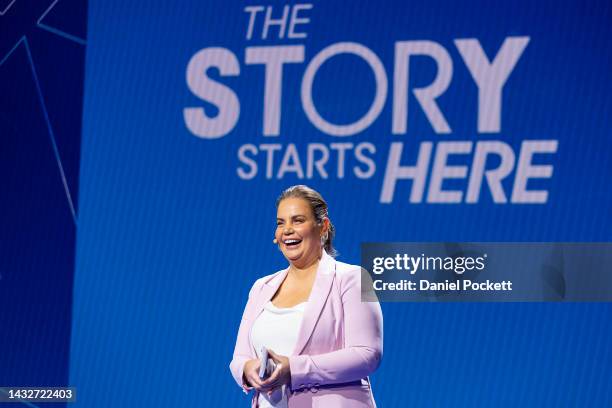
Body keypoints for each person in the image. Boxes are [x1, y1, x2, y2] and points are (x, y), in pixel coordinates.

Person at [229, 185, 383, 408]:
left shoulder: (355, 278)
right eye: (281, 223)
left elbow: (368, 355)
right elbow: (239, 358)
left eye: (298, 220)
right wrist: (247, 370)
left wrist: (293, 368)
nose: (287, 230)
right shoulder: (261, 287)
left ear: (323, 227)